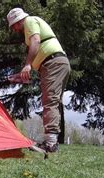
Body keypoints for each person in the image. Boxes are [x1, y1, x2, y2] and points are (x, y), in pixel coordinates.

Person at [7, 7, 71, 153]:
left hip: (53, 63)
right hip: (55, 63)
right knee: (53, 101)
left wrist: (28, 64)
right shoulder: (31, 24)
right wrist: (21, 75)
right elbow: (39, 56)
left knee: (50, 101)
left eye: (14, 25)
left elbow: (36, 41)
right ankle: (51, 141)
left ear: (18, 20)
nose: (15, 29)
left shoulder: (30, 21)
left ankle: (50, 144)